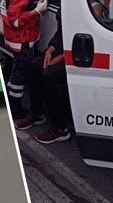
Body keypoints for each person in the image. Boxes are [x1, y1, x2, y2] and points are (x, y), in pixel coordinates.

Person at [1, 0, 48, 119]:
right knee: (18, 76)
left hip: (15, 38)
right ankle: (15, 109)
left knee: (17, 72)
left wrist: (34, 5)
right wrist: (36, 11)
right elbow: (15, 20)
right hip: (20, 39)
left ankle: (14, 104)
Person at [15, 10, 72, 144]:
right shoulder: (67, 0)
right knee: (34, 66)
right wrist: (50, 50)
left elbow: (82, 41)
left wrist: (57, 59)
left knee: (49, 75)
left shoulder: (94, 7)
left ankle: (60, 128)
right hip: (60, 53)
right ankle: (37, 114)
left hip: (76, 56)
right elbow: (60, 32)